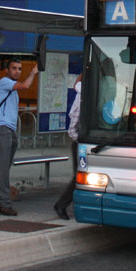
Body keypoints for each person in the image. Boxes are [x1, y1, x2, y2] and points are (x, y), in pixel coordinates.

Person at [0, 58, 39, 216]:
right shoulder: (4, 82)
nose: (17, 71)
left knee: (0, 166)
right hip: (2, 128)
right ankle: (3, 203)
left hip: (9, 129)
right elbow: (26, 85)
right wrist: (33, 72)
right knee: (2, 168)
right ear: (7, 70)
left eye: (19, 69)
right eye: (14, 68)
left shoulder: (12, 88)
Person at [54, 74, 81, 220]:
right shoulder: (83, 95)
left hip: (89, 142)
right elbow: (72, 129)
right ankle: (61, 205)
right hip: (80, 143)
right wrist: (80, 140)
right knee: (79, 176)